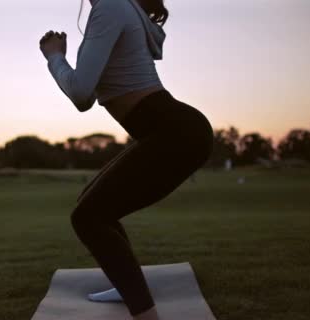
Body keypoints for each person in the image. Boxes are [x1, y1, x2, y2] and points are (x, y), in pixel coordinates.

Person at [38, 0, 213, 319]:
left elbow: (80, 94)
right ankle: (127, 286)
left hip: (174, 133)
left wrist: (55, 58)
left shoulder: (109, 6)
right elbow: (88, 92)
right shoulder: (119, 6)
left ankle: (145, 313)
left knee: (89, 217)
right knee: (92, 206)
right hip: (172, 131)